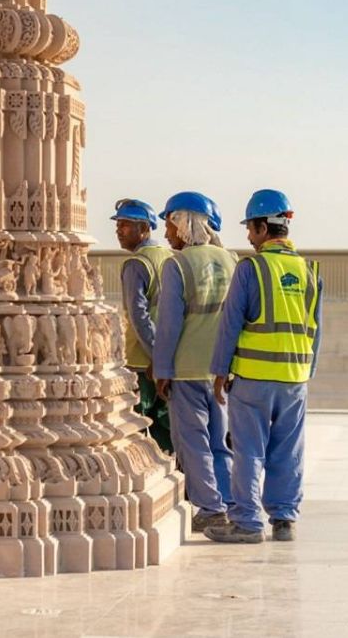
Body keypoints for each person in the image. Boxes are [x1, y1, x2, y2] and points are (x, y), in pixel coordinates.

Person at [204, 188, 323, 544]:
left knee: (249, 450)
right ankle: (284, 519)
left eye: (249, 228)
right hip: (294, 380)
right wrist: (306, 373)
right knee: (288, 450)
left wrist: (219, 370)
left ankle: (247, 522)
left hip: (254, 379)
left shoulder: (251, 267)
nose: (247, 235)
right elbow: (316, 329)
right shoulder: (308, 270)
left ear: (261, 227)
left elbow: (230, 324)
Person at [152, 191, 238, 533]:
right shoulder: (232, 260)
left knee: (194, 442)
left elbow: (169, 324)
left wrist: (162, 370)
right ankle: (229, 501)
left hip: (186, 370)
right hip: (222, 370)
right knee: (221, 441)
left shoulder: (177, 265)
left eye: (170, 224)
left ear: (186, 224)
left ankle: (210, 508)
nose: (167, 233)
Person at [111, 198, 174, 452]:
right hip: (169, 358)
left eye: (126, 225)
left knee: (137, 428)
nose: (119, 231)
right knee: (165, 426)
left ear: (145, 229)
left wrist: (155, 355)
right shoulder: (170, 257)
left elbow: (138, 315)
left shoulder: (136, 263)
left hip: (141, 361)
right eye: (118, 225)